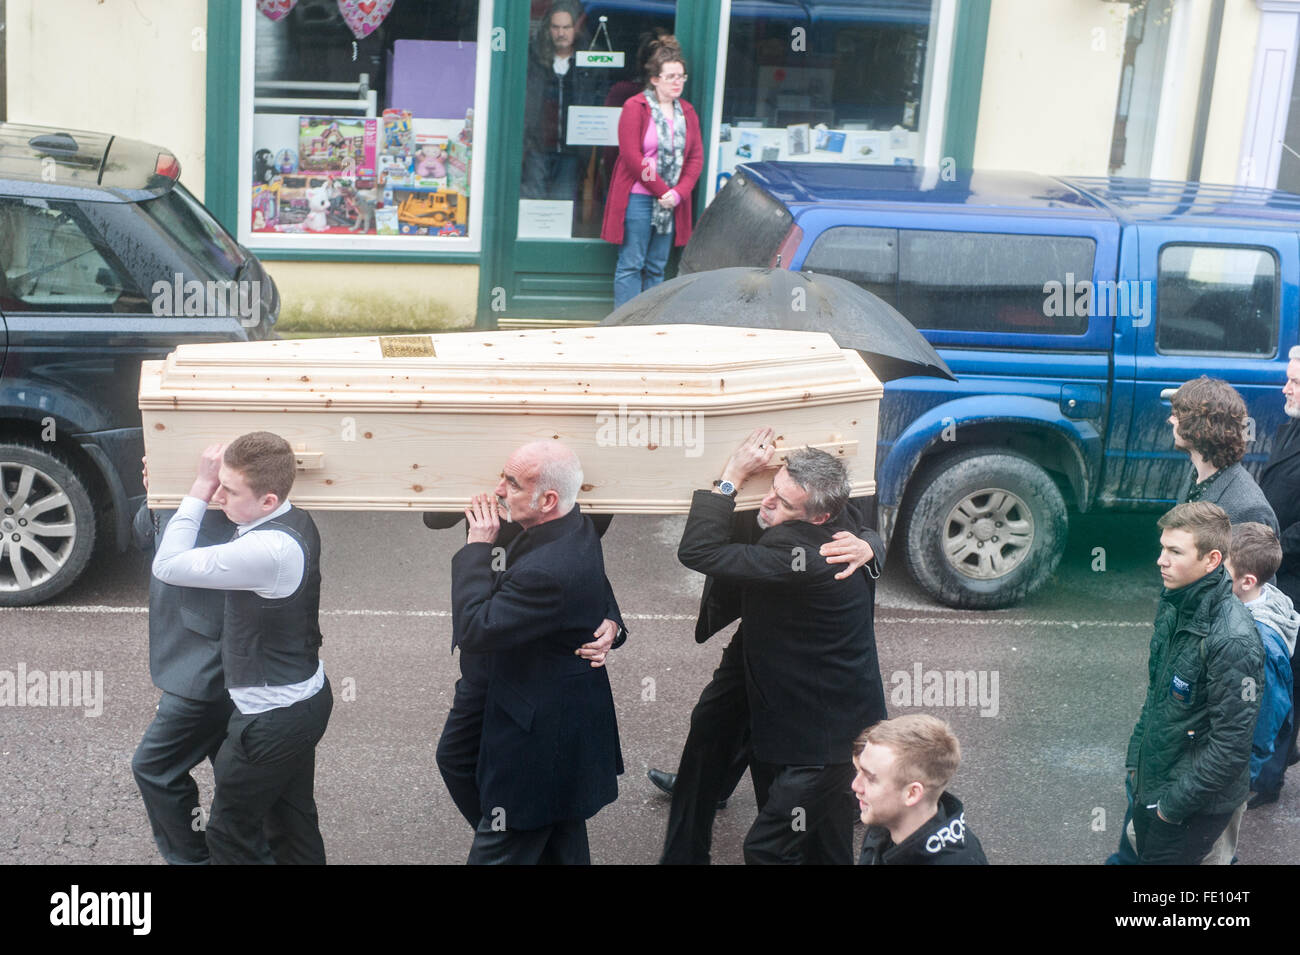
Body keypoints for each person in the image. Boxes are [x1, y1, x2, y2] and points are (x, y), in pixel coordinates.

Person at [672, 427, 888, 864]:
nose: (767, 503)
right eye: (772, 489)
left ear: (821, 517)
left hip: (819, 733)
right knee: (816, 838)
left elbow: (697, 551)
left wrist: (731, 477)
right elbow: (866, 527)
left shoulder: (798, 557)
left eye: (783, 503)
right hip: (773, 666)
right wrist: (872, 544)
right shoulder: (841, 524)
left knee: (778, 845)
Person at [152, 432, 333, 865]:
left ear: (269, 500)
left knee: (230, 835)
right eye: (217, 485)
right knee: (293, 822)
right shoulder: (292, 520)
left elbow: (167, 566)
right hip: (304, 702)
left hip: (270, 722)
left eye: (229, 490)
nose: (218, 495)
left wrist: (196, 488)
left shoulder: (264, 549)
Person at [449, 440, 622, 864]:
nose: (498, 490)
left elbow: (476, 628)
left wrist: (477, 547)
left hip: (534, 716)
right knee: (457, 759)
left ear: (547, 499)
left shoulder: (550, 560)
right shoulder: (568, 522)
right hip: (505, 680)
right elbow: (586, 579)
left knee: (518, 825)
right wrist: (609, 618)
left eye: (510, 482)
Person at [432, 509, 625, 831]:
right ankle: (506, 835)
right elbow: (433, 515)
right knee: (457, 757)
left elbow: (581, 540)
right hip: (490, 642)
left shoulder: (561, 481)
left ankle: (507, 836)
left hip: (536, 650)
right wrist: (479, 540)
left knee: (540, 800)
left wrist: (609, 613)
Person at [1124, 502, 1264, 865]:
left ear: (1212, 559)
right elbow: (1158, 695)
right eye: (1162, 548)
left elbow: (1230, 748)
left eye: (1174, 551)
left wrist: (1170, 808)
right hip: (1155, 783)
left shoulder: (1234, 639)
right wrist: (1135, 762)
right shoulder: (1175, 603)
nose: (1161, 560)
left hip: (1191, 807)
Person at [131, 458, 241, 864]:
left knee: (154, 767)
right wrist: (153, 492)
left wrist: (200, 486)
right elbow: (145, 535)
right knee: (233, 772)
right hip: (181, 648)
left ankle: (194, 859)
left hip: (207, 660)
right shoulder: (182, 475)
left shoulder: (225, 487)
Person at [602, 36, 703, 309]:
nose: (677, 82)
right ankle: (624, 325)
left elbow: (695, 159)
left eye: (681, 76)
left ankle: (649, 325)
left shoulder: (688, 112)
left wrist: (678, 194)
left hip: (671, 202)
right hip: (639, 197)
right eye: (670, 76)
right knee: (631, 264)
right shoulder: (636, 107)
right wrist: (662, 190)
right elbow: (633, 158)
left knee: (657, 266)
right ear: (655, 79)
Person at [1222, 522, 1296, 811]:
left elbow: (1263, 727)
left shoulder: (1259, 645)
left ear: (1248, 581)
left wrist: (1235, 786)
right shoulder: (1254, 600)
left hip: (1227, 778)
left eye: (1221, 571)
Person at [852, 714, 987, 865]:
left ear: (911, 793)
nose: (855, 786)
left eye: (870, 778)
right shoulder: (884, 822)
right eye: (858, 771)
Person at [1258, 346, 1300, 787]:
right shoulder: (1290, 428)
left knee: (1289, 679)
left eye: (1295, 381)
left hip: (1294, 575)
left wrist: (1269, 549)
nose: (1285, 387)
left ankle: (1269, 778)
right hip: (1279, 573)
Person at [1169, 376, 1277, 532]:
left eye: (1178, 415)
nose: (1171, 420)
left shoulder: (1247, 510)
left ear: (1200, 430)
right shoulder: (1198, 476)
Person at [521, 0, 598, 203]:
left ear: (576, 29)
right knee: (533, 202)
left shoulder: (588, 64)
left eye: (566, 27)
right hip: (537, 148)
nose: (561, 33)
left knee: (562, 204)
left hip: (571, 151)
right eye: (556, 27)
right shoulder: (533, 60)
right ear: (548, 29)